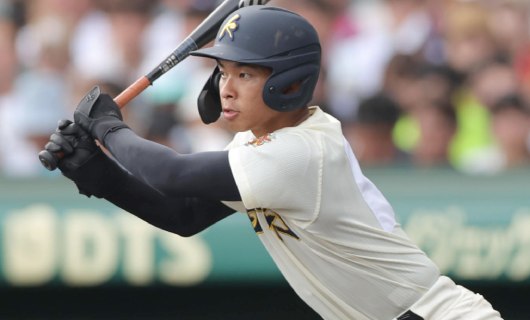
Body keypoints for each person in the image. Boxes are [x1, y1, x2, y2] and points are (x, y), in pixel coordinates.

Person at [42, 5, 502, 320]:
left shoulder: (303, 150)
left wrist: (108, 127)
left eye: (245, 73)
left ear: (290, 83)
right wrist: (94, 172)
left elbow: (171, 173)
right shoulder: (258, 147)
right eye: (223, 72)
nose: (227, 87)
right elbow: (182, 215)